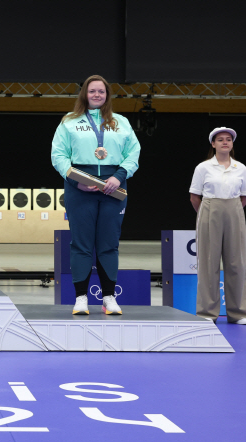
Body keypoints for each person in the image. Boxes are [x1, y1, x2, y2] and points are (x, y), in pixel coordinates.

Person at [51, 74, 141, 315]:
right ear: (85, 94)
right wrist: (75, 180)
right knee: (81, 244)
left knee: (109, 244)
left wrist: (119, 176)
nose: (97, 95)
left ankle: (109, 298)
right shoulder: (69, 122)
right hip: (80, 187)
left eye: (101, 91)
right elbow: (58, 155)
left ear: (107, 95)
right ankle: (81, 298)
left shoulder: (121, 122)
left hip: (113, 185)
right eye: (92, 91)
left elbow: (134, 152)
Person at [189, 127, 246, 324]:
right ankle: (207, 312)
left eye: (228, 139)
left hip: (234, 208)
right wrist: (208, 214)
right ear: (213, 144)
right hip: (209, 209)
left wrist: (229, 210)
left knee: (236, 262)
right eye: (220, 139)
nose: (225, 142)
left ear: (232, 144)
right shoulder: (203, 167)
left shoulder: (241, 168)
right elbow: (194, 197)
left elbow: (244, 197)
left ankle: (238, 312)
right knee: (209, 263)